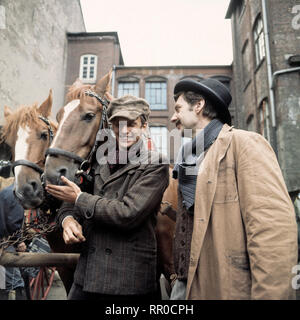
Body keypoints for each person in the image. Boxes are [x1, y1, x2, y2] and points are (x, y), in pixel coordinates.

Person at [169, 78, 297, 300]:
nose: (173, 117)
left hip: (226, 288)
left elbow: (272, 233)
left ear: (198, 105)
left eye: (178, 108)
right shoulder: (190, 158)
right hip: (185, 285)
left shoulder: (245, 144)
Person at [46, 95, 169, 300]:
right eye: (116, 125)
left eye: (131, 124)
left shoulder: (155, 164)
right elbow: (70, 201)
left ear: (144, 125)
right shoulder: (98, 161)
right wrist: (67, 220)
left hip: (129, 283)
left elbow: (127, 213)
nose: (123, 130)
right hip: (86, 277)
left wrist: (79, 199)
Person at [0, 183, 27, 300]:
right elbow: (13, 223)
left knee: (2, 282)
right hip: (6, 243)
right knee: (16, 282)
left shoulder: (4, 193)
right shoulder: (15, 193)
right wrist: (19, 242)